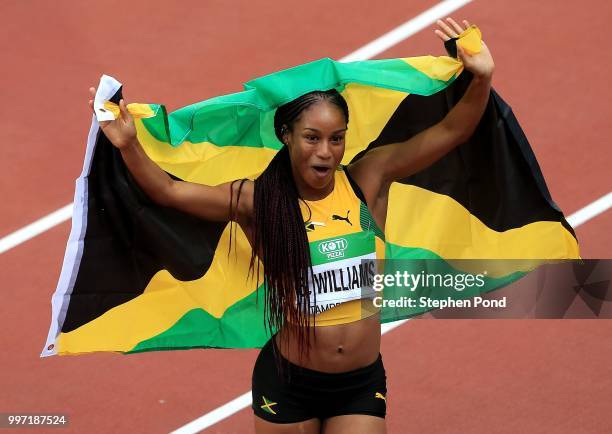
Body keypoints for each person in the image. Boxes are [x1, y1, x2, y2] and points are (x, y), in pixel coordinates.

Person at [89, 17, 494, 434]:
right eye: (312, 137)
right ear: (286, 135)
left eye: (337, 138)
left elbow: (452, 130)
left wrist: (481, 77)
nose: (326, 151)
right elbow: (170, 193)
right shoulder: (258, 201)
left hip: (360, 380)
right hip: (289, 384)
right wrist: (129, 144)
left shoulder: (368, 181)